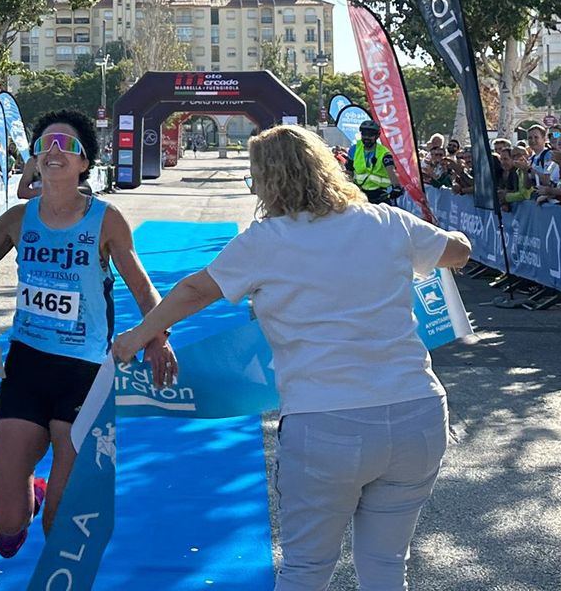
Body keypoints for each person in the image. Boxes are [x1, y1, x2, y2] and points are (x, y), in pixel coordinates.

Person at [111, 125, 471, 591]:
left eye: (254, 177)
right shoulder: (386, 221)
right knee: (386, 564)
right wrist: (456, 232)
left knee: (306, 569)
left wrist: (141, 335)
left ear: (270, 181)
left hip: (326, 422)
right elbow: (458, 252)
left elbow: (196, 289)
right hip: (416, 412)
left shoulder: (267, 239)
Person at [0, 109, 177, 560]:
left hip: (85, 374)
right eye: (45, 144)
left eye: (66, 145)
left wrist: (158, 336)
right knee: (8, 529)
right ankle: (35, 489)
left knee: (59, 530)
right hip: (26, 368)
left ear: (84, 162)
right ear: (34, 157)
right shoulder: (18, 218)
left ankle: (55, 498)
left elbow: (144, 288)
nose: (54, 152)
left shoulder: (106, 221)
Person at [348, 120, 400, 205]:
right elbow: (349, 171)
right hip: (360, 195)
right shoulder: (354, 149)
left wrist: (396, 187)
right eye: (364, 134)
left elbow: (391, 172)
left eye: (370, 135)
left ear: (377, 136)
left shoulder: (384, 153)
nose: (367, 137)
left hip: (380, 196)